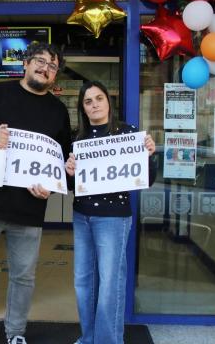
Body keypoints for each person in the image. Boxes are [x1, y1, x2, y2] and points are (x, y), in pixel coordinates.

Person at [0, 43, 71, 344]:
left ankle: (16, 332)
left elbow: (62, 159)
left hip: (29, 210)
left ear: (55, 75)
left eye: (52, 66)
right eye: (40, 61)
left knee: (23, 277)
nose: (45, 68)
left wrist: (53, 186)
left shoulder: (58, 111)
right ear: (26, 64)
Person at [64, 81, 156, 344]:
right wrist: (69, 172)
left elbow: (146, 179)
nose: (94, 105)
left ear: (108, 102)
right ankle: (89, 337)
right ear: (83, 108)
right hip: (82, 216)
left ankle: (108, 340)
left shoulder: (128, 133)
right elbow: (73, 186)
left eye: (99, 98)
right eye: (88, 101)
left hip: (113, 219)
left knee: (109, 284)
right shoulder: (78, 139)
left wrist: (149, 155)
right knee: (83, 282)